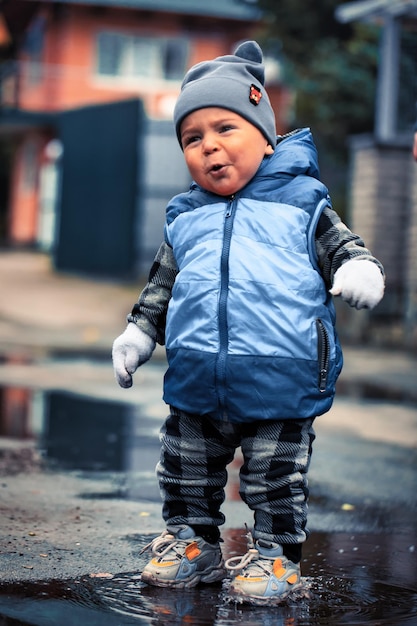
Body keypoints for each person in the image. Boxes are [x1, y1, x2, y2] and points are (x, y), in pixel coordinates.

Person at [112, 41, 385, 606]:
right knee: (186, 469)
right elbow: (161, 288)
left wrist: (360, 268)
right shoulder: (186, 216)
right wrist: (138, 333)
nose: (209, 146)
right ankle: (193, 542)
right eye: (193, 138)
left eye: (225, 129)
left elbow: (343, 247)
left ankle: (276, 555)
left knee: (273, 476)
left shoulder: (303, 201)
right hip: (196, 377)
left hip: (281, 376)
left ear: (265, 137)